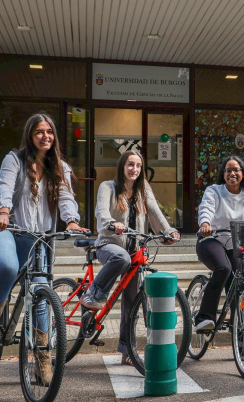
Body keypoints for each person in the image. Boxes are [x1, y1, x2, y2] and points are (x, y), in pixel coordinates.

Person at [0, 113, 86, 385]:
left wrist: (71, 221)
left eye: (49, 131)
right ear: (30, 135)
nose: (45, 136)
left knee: (40, 292)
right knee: (8, 266)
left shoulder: (60, 167)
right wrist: (2, 210)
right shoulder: (14, 160)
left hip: (38, 237)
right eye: (39, 132)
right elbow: (5, 187)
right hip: (4, 227)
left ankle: (43, 359)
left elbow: (66, 197)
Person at [83, 150, 180, 366]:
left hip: (136, 252)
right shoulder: (108, 186)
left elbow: (155, 213)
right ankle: (94, 294)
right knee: (122, 258)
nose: (134, 169)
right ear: (122, 166)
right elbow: (101, 212)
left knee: (132, 301)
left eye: (138, 165)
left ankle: (127, 351)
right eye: (130, 165)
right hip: (109, 245)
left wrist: (168, 232)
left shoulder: (143, 188)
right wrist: (111, 223)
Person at [195, 155, 244, 361]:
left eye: (236, 169)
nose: (232, 173)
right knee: (223, 269)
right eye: (228, 170)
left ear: (243, 173)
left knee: (238, 289)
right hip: (210, 240)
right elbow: (206, 207)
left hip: (235, 244)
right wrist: (205, 223)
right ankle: (204, 317)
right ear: (223, 174)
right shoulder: (214, 191)